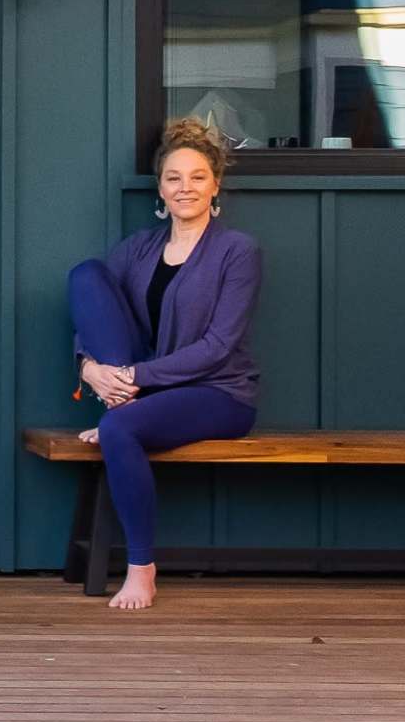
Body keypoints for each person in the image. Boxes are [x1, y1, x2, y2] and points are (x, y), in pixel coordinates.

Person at [66, 117, 262, 611]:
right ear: (160, 188)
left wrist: (133, 378)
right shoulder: (139, 249)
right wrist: (89, 369)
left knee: (118, 430)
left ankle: (141, 569)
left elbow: (218, 346)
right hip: (147, 387)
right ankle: (121, 405)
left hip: (219, 393)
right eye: (174, 178)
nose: (185, 187)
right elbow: (96, 314)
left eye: (197, 177)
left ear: (215, 185)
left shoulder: (237, 251)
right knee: (87, 275)